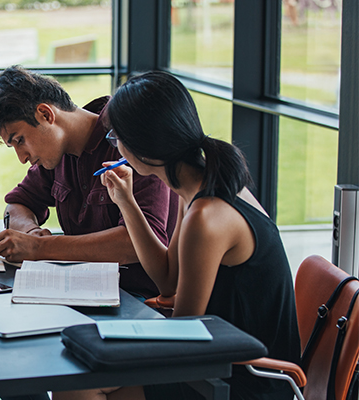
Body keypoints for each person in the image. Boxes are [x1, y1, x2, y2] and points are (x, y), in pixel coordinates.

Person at [54, 71, 300, 400]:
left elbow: (183, 329)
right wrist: (127, 202)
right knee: (78, 378)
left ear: (139, 145)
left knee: (76, 387)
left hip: (245, 379)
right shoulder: (200, 187)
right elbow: (168, 281)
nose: (115, 145)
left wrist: (114, 353)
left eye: (116, 137)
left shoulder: (207, 216)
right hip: (223, 356)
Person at [0, 66, 177, 299]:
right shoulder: (56, 156)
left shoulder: (129, 140)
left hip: (140, 300)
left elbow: (138, 243)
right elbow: (18, 204)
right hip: (79, 291)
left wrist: (40, 249)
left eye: (20, 140)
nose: (22, 158)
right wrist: (31, 233)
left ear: (46, 114)